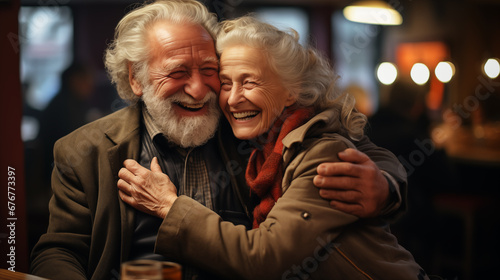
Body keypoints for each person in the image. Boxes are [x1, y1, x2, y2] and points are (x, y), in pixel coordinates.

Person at [30, 1, 407, 279]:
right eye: (177, 72)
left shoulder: (245, 122)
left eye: (210, 71)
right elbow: (59, 250)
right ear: (135, 79)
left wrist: (385, 186)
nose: (200, 90)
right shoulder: (84, 150)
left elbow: (351, 147)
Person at [118, 16, 427, 279]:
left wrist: (168, 207)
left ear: (291, 92)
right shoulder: (252, 132)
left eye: (250, 82)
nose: (234, 98)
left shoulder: (320, 153)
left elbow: (265, 259)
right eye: (225, 83)